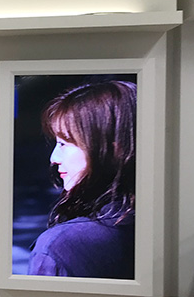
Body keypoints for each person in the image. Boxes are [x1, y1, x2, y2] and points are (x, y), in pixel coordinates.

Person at [27, 80, 136, 278]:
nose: (54, 158)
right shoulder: (165, 226)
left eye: (64, 143)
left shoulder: (60, 246)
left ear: (114, 150)